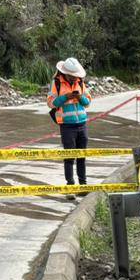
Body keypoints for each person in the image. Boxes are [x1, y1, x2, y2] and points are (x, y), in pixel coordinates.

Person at [48, 57, 92, 199]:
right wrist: (65, 97)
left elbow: (87, 102)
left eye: (76, 76)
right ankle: (70, 186)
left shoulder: (80, 82)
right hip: (67, 126)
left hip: (82, 124)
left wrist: (79, 97)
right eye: (72, 77)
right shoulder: (56, 83)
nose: (75, 79)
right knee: (69, 157)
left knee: (81, 156)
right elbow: (51, 103)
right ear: (65, 74)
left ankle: (83, 185)